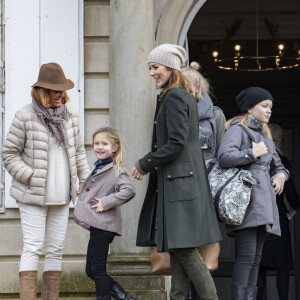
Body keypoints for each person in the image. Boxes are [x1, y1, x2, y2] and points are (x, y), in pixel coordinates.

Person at [131, 43, 222, 300]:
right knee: (179, 247)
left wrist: (144, 163)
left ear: (170, 68)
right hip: (180, 182)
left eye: (155, 67)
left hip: (180, 184)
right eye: (149, 67)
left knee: (182, 249)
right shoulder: (177, 95)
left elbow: (176, 143)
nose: (151, 73)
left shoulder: (174, 97)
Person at [1, 62, 90, 300]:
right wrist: (29, 175)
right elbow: (8, 154)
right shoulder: (25, 116)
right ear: (42, 91)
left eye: (62, 90)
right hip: (33, 194)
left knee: (55, 250)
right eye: (55, 91)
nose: (61, 95)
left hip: (62, 195)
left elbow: (79, 151)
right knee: (33, 247)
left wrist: (86, 180)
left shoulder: (70, 117)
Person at [217, 87, 289, 300]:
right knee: (247, 256)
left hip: (265, 200)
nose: (269, 111)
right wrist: (251, 153)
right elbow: (224, 157)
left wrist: (281, 175)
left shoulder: (266, 136)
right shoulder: (238, 130)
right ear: (250, 108)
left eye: (270, 107)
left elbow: (280, 166)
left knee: (257, 258)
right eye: (264, 106)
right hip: (247, 199)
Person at [74, 127, 136, 300]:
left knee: (98, 269)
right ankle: (125, 298)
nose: (99, 147)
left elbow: (129, 191)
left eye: (104, 144)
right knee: (91, 270)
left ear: (114, 147)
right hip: (98, 225)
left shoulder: (117, 169)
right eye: (96, 143)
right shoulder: (100, 167)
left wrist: (105, 202)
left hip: (105, 225)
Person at [182, 63, 226, 300]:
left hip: (206, 187)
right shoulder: (175, 110)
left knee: (205, 248)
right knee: (182, 246)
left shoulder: (216, 114)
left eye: (187, 85)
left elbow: (221, 153)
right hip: (182, 186)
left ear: (198, 87)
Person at [257, 123, 299, 300]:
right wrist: (293, 207)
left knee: (259, 266)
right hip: (277, 217)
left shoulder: (258, 156)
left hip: (258, 215)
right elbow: (291, 195)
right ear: (281, 141)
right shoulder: (281, 161)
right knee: (281, 266)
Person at [181, 61, 226, 161]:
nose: (180, 91)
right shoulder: (174, 112)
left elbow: (222, 150)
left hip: (207, 172)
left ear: (197, 88)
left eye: (184, 86)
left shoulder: (216, 115)